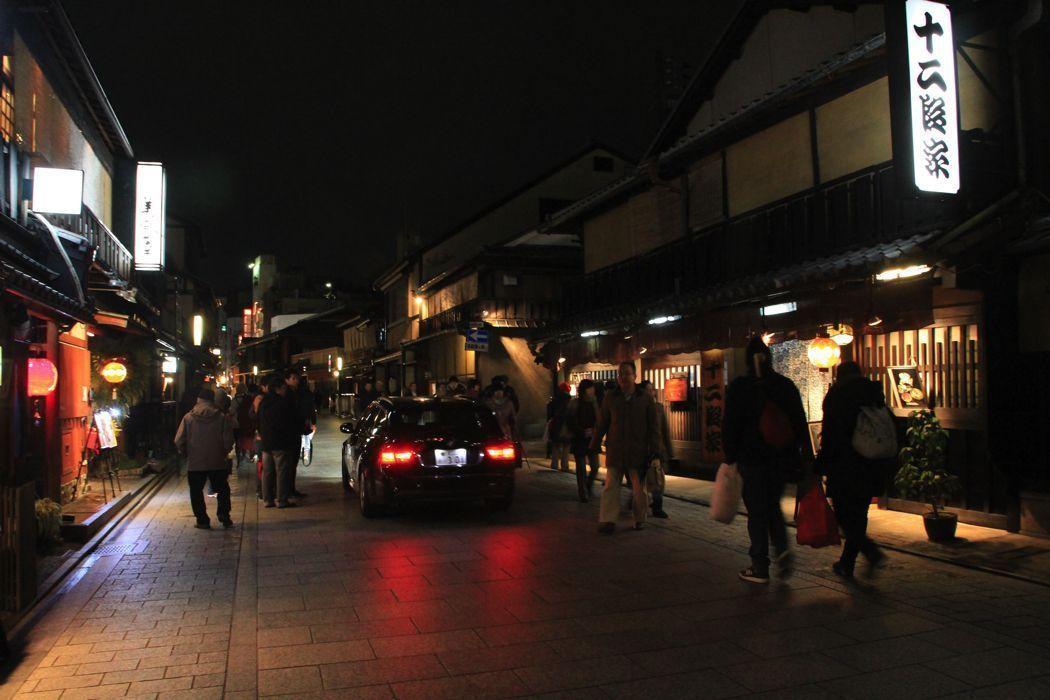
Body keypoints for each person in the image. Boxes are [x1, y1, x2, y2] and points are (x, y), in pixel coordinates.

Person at [724, 335, 811, 584]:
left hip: (751, 459)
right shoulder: (785, 386)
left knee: (757, 511)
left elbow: (730, 425)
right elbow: (799, 423)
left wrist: (730, 457)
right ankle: (782, 550)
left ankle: (759, 565)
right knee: (772, 505)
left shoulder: (740, 387)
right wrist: (805, 457)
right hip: (781, 459)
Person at [818, 361, 888, 578]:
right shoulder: (874, 392)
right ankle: (849, 561)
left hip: (844, 464)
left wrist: (819, 465)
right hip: (871, 463)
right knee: (859, 513)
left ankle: (866, 554)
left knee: (843, 515)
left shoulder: (837, 395)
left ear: (840, 375)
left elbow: (830, 434)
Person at [591, 362, 658, 533]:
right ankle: (608, 520)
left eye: (627, 374)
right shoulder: (610, 398)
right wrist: (595, 443)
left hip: (638, 450)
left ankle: (640, 518)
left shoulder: (645, 398)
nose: (623, 377)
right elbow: (602, 423)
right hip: (616, 449)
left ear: (635, 376)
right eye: (620, 374)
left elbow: (653, 427)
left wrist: (656, 451)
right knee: (611, 486)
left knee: (638, 489)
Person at [174, 387, 235, 529]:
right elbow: (228, 440)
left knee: (196, 491)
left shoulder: (188, 418)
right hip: (217, 461)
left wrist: (185, 452)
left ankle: (202, 520)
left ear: (198, 400)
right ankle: (223, 514)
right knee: (223, 489)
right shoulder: (221, 417)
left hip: (195, 462)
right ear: (212, 401)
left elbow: (178, 440)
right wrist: (224, 452)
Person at [258, 376, 300, 508]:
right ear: (278, 389)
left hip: (266, 442)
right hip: (280, 442)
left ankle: (267, 500)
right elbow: (288, 422)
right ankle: (281, 500)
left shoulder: (264, 402)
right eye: (283, 388)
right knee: (282, 471)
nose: (285, 390)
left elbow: (259, 421)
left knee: (267, 472)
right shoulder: (282, 403)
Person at [641, 380, 672, 519]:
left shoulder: (659, 408)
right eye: (647, 389)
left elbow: (664, 430)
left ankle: (657, 506)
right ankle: (639, 502)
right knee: (644, 480)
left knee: (658, 480)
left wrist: (668, 449)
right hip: (643, 449)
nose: (650, 392)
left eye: (652, 389)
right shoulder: (638, 409)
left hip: (657, 449)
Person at [567, 379, 601, 502]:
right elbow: (570, 421)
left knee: (595, 466)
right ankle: (583, 493)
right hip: (579, 439)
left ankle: (588, 486)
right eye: (590, 388)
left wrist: (596, 431)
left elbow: (599, 420)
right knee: (581, 468)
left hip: (592, 438)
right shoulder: (575, 403)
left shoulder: (594, 403)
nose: (592, 391)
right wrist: (581, 431)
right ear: (584, 390)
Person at [286, 369, 315, 498]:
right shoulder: (287, 395)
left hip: (297, 430)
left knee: (292, 463)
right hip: (290, 432)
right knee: (288, 464)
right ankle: (287, 490)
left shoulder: (298, 393)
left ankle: (290, 489)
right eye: (293, 378)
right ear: (286, 380)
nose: (296, 381)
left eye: (296, 378)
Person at [547, 382, 572, 472]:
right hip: (565, 424)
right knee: (566, 445)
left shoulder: (554, 399)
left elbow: (549, 413)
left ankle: (554, 465)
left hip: (555, 424)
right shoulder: (569, 400)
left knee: (555, 445)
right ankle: (564, 466)